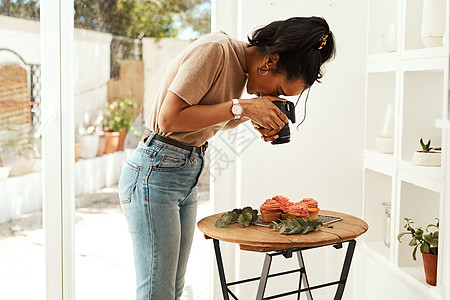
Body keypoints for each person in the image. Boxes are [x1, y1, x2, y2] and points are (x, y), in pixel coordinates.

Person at [118, 16, 336, 300]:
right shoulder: (216, 50)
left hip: (183, 172)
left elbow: (206, 115)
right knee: (156, 292)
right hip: (156, 172)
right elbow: (169, 118)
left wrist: (251, 114)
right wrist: (242, 107)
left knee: (172, 289)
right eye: (279, 91)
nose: (274, 97)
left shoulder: (239, 70)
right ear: (269, 61)